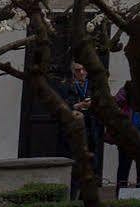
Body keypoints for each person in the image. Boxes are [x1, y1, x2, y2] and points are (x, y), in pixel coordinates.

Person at [59, 62, 100, 199]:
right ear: (73, 72)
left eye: (84, 69)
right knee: (75, 166)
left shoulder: (93, 86)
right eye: (78, 70)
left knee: (91, 166)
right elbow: (60, 105)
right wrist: (76, 105)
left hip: (91, 130)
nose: (81, 72)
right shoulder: (66, 85)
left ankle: (85, 197)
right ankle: (71, 197)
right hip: (74, 132)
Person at [113, 80, 140, 191]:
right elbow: (116, 101)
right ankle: (120, 195)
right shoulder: (127, 89)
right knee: (124, 167)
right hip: (127, 137)